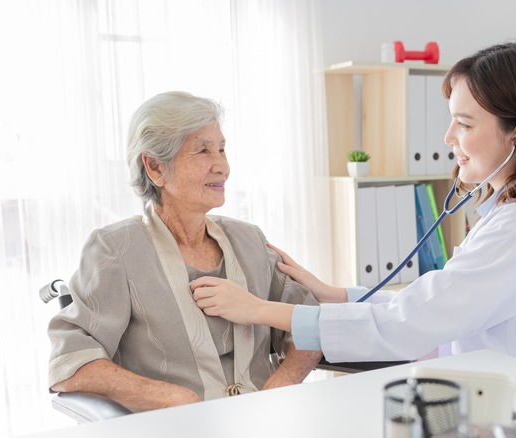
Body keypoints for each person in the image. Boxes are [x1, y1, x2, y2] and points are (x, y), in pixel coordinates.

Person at [190, 41, 516, 381]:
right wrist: (336, 294)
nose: (448, 136)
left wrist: (258, 310)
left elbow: (412, 323)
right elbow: (439, 304)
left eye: (465, 124)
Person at [47, 91, 322, 411]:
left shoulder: (248, 239)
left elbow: (310, 323)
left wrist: (279, 387)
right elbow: (71, 360)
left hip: (268, 421)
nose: (222, 166)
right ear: (155, 167)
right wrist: (176, 398)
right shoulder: (115, 250)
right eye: (203, 151)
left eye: (222, 149)